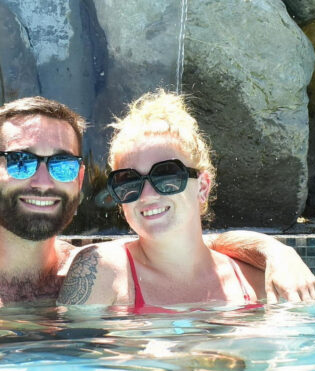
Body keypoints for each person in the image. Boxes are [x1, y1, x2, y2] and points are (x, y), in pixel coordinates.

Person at [0, 95, 315, 312]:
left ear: (79, 179)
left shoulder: (86, 267)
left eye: (60, 165)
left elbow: (197, 244)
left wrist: (274, 250)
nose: (40, 180)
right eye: (19, 163)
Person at [57, 90, 274, 310]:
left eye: (166, 176)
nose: (147, 194)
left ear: (202, 187)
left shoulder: (259, 284)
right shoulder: (102, 273)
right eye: (129, 181)